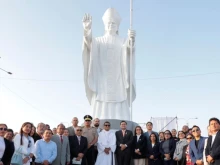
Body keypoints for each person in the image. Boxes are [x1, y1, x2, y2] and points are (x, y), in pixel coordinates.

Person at [82, 8, 136, 120]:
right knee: (101, 98)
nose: (111, 25)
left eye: (113, 23)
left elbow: (129, 50)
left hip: (118, 78)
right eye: (109, 23)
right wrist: (87, 29)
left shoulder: (122, 40)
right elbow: (89, 43)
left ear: (117, 27)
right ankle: (99, 119)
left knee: (120, 98)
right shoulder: (99, 40)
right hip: (102, 78)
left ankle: (123, 121)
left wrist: (131, 39)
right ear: (105, 25)